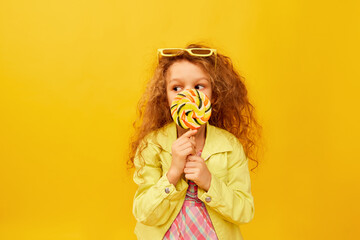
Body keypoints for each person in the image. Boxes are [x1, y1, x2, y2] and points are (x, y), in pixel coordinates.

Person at [128, 43, 262, 240]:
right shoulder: (153, 145)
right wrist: (173, 173)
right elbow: (143, 213)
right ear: (165, 97)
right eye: (176, 87)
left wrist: (209, 182)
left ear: (213, 95)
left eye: (199, 86)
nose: (188, 95)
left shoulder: (230, 147)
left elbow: (244, 212)